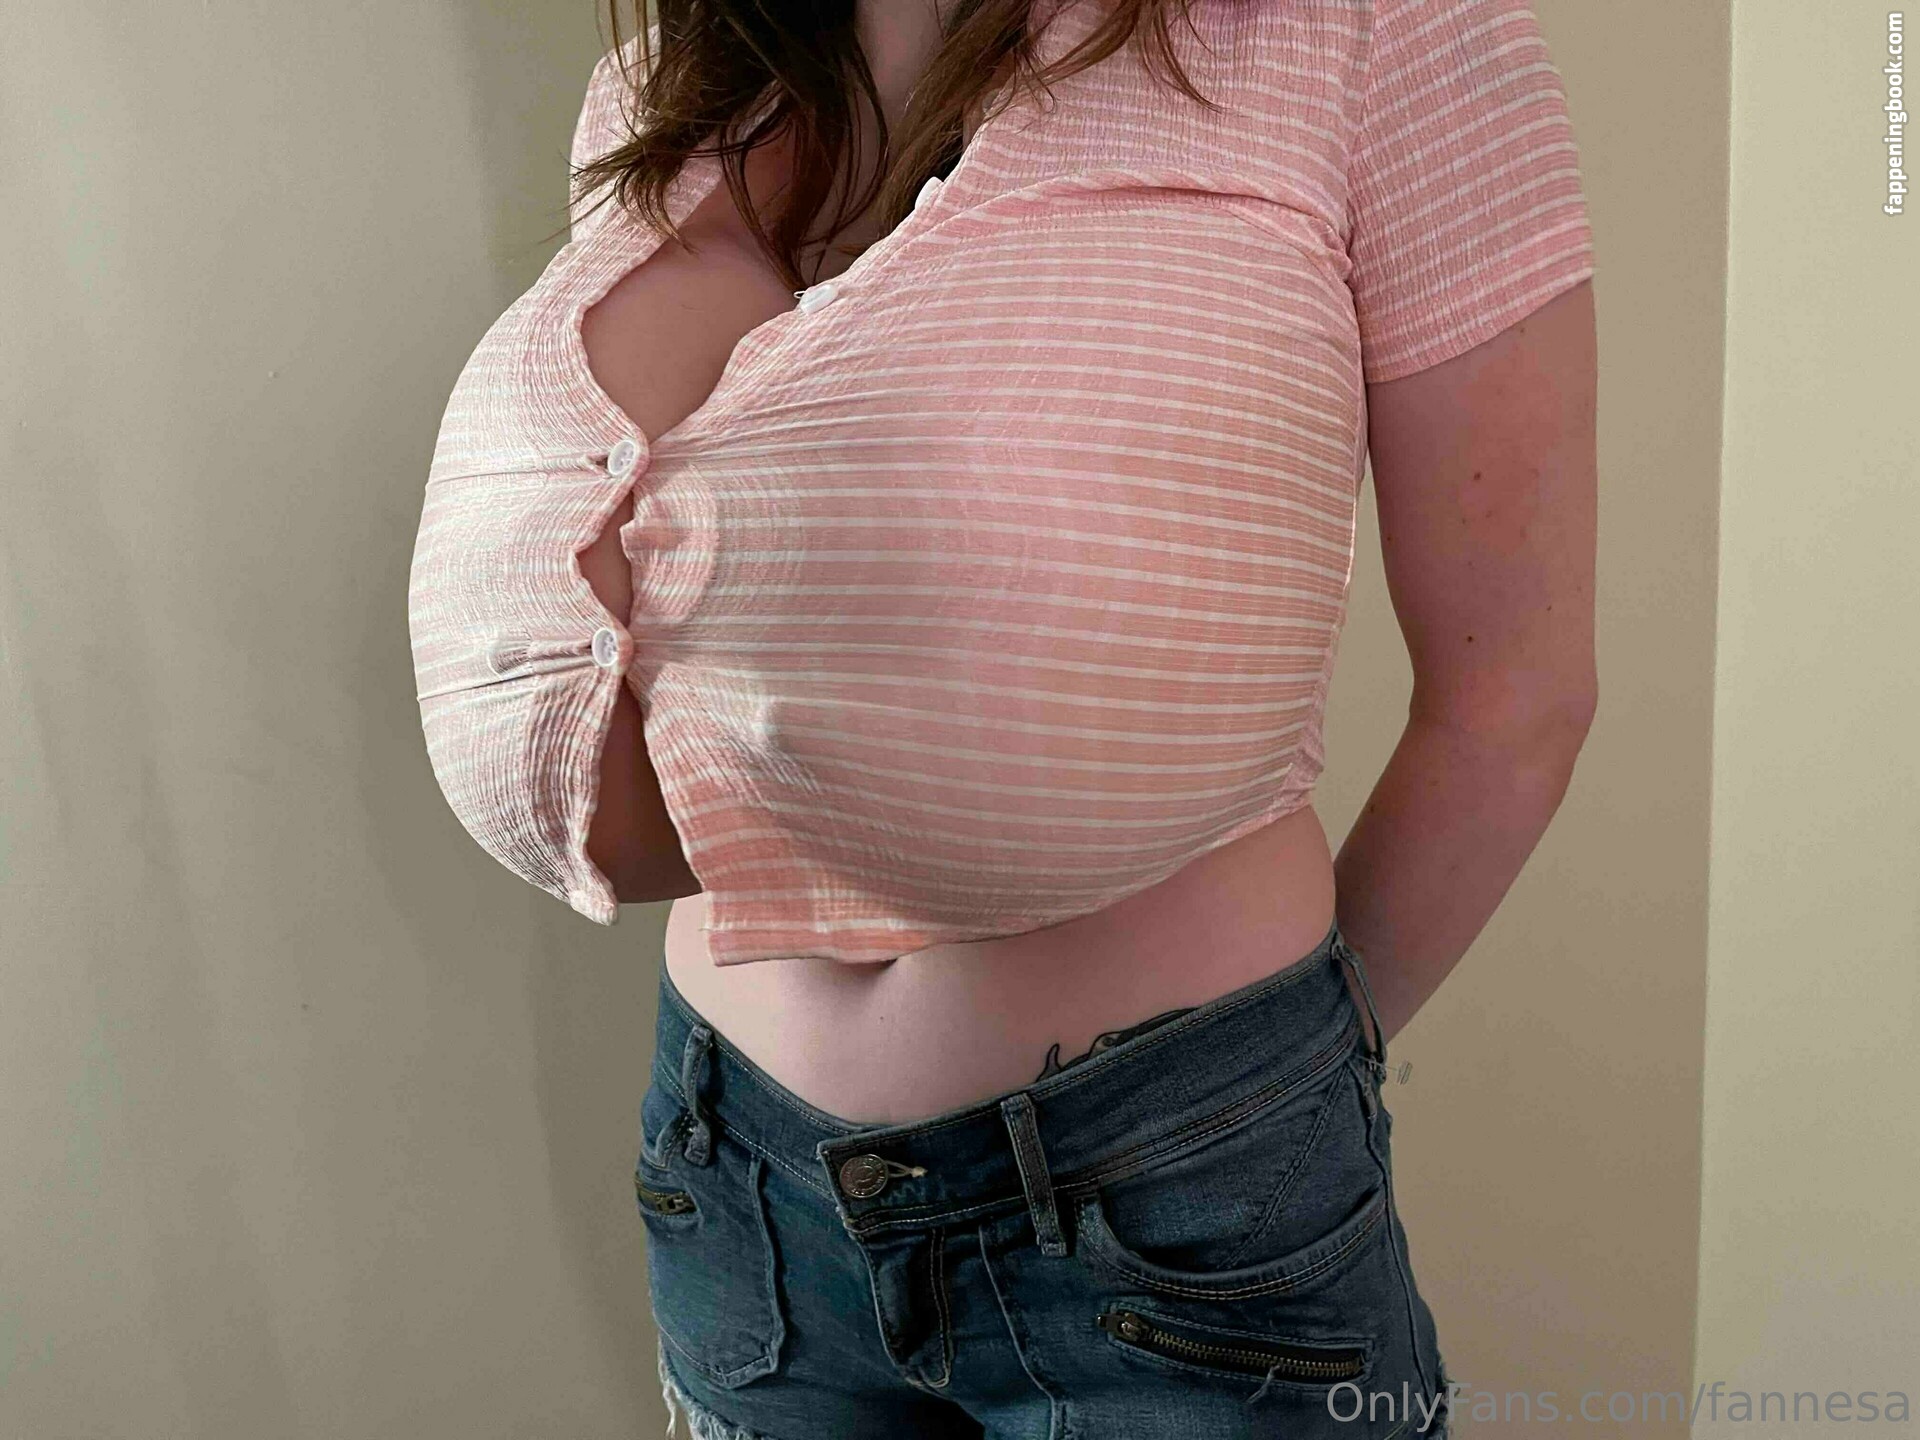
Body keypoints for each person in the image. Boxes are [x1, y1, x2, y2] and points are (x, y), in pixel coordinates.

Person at [407, 0, 1597, 1432]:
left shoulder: (1370, 35)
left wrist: (1260, 1097)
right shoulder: (672, 76)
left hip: (1184, 1226)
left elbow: (1512, 702)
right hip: (739, 1189)